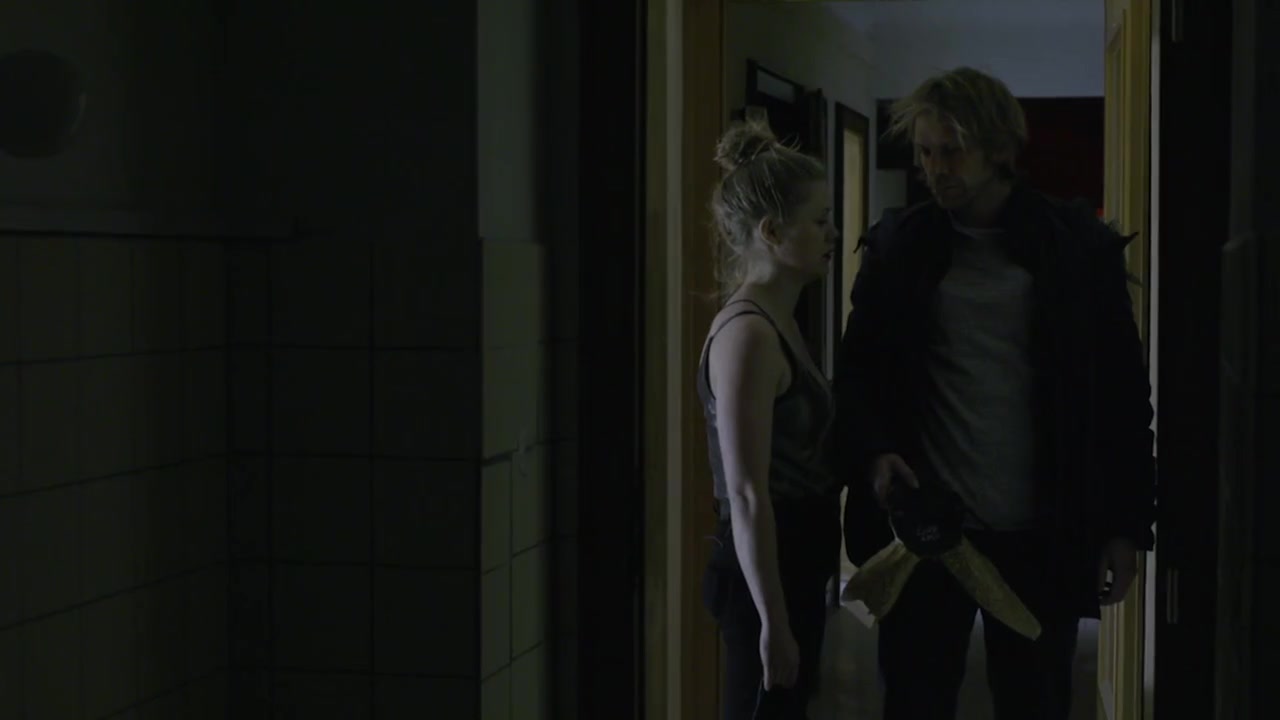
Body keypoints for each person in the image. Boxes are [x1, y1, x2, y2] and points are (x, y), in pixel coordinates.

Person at [831, 67, 1156, 720]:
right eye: (925, 153)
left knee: (1035, 703)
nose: (936, 169)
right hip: (929, 532)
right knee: (915, 704)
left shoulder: (1073, 252)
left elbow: (1120, 399)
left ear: (998, 149)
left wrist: (1127, 528)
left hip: (1040, 531)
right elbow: (858, 376)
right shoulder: (901, 249)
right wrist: (874, 453)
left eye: (951, 152)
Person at [699, 119, 844, 719]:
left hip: (794, 568)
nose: (834, 233)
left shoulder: (781, 320)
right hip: (763, 578)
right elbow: (747, 494)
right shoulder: (750, 337)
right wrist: (772, 621)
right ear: (772, 231)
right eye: (820, 221)